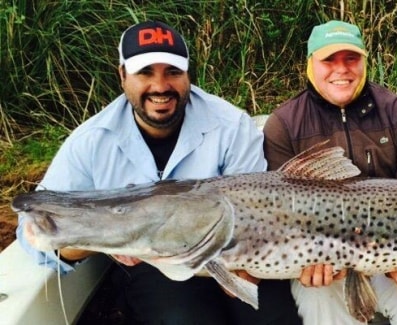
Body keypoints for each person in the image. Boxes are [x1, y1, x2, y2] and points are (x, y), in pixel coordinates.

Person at [16, 21, 301, 325]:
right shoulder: (90, 142)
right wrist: (91, 242)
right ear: (122, 75)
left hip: (238, 254)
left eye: (173, 72)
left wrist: (241, 271)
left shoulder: (232, 126)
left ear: (188, 75)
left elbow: (256, 212)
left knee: (277, 318)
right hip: (153, 265)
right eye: (145, 72)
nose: (160, 86)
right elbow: (31, 232)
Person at [263, 20, 397, 325]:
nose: (342, 69)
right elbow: (282, 215)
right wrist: (309, 265)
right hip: (325, 262)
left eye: (351, 58)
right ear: (310, 65)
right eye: (329, 60)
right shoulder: (283, 125)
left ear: (364, 61)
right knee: (317, 296)